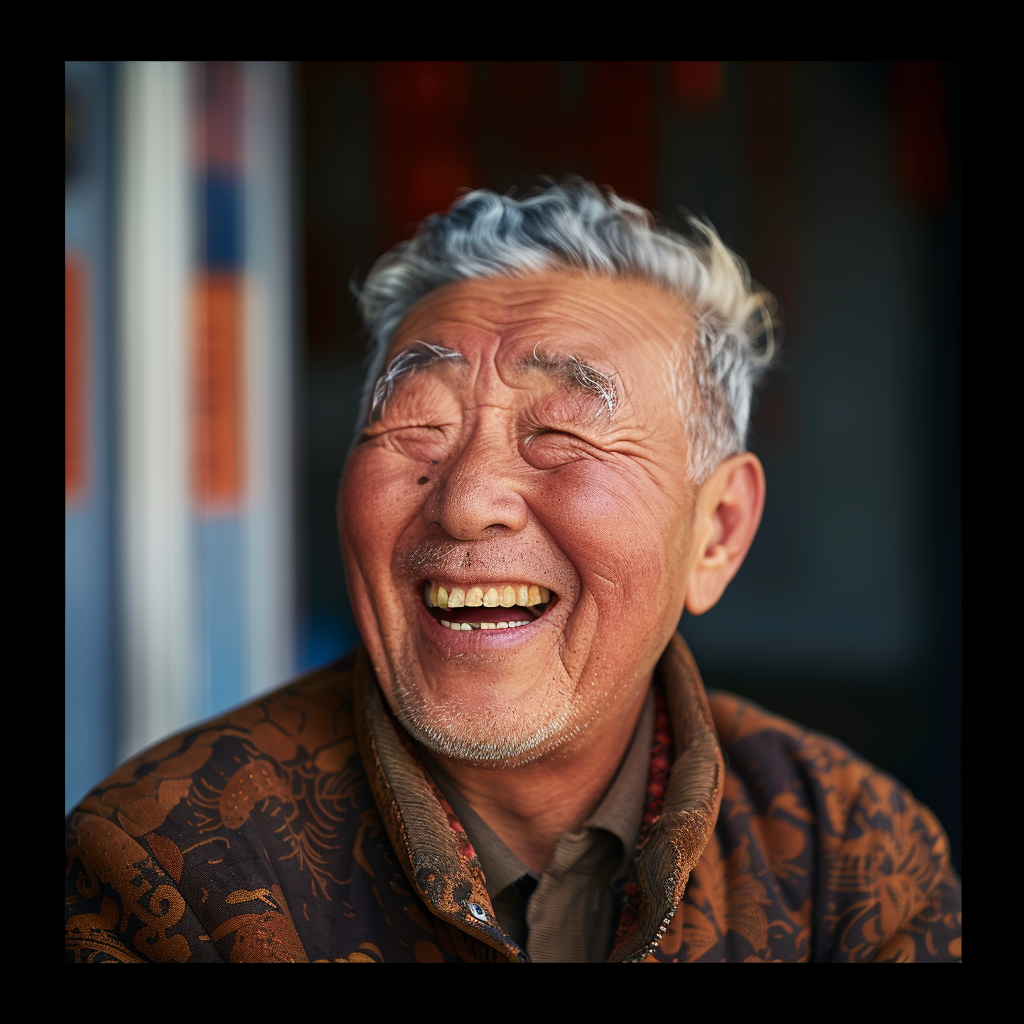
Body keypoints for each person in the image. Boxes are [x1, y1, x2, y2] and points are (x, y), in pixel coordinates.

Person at [65, 179, 961, 963]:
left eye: (562, 434)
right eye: (416, 426)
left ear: (717, 532)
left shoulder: (852, 859)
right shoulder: (165, 867)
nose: (466, 501)